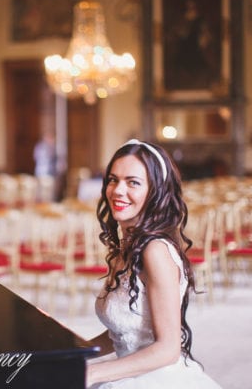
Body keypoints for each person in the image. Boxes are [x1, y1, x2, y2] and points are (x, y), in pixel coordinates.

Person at [86, 139, 221, 388]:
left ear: (155, 191)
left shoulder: (154, 250)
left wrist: (93, 373)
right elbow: (125, 330)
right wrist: (80, 351)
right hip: (133, 369)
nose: (117, 190)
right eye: (113, 179)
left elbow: (168, 349)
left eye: (133, 182)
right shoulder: (127, 246)